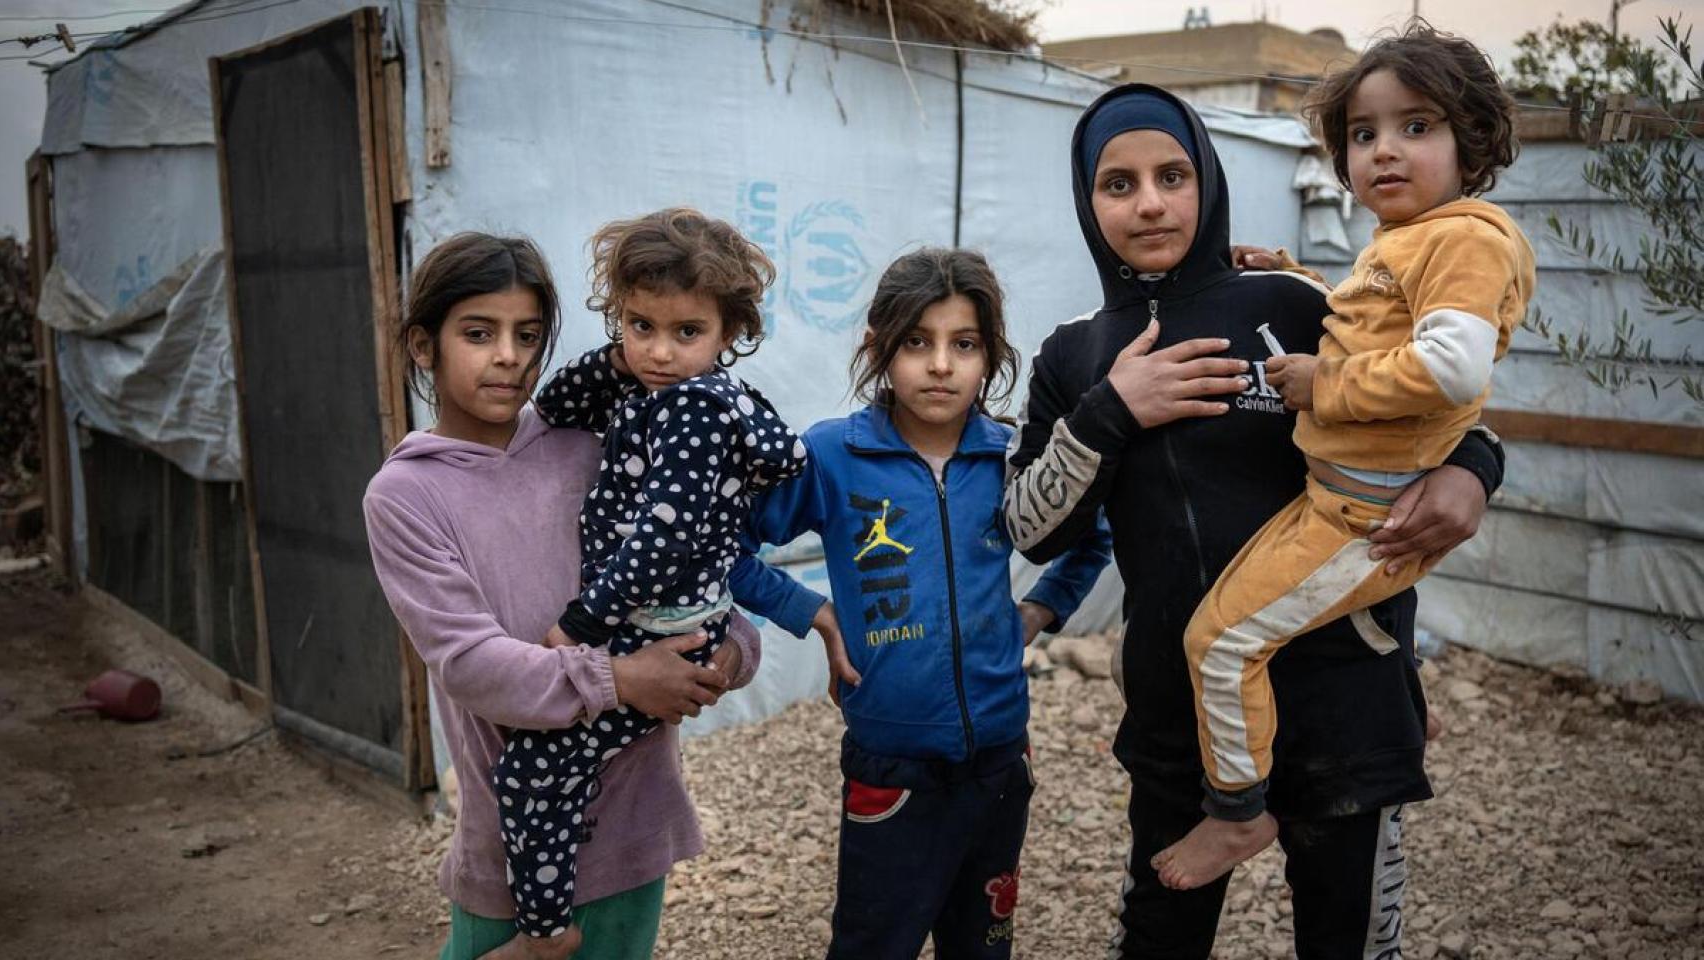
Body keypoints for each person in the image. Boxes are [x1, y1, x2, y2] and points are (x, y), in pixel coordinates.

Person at [1002, 85, 1505, 958]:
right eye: (1117, 184)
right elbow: (1029, 527)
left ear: (1212, 180)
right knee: (1160, 937)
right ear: (1087, 202)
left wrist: (1476, 468)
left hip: (1346, 695)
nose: (1150, 202)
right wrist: (1110, 411)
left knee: (1347, 940)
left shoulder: (1294, 301)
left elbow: (1429, 403)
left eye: (1173, 175)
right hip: (1178, 713)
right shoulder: (1074, 352)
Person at [1156, 22, 1535, 891]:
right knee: (1253, 621)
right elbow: (1382, 320)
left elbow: (1451, 364)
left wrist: (1324, 383)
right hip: (1337, 500)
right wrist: (1297, 274)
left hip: (1368, 517)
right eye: (1364, 134)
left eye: (1417, 126)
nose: (1384, 151)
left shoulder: (1466, 240)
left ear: (1471, 141)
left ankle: (1237, 813)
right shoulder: (1410, 240)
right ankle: (1396, 698)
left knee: (1219, 643)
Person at [364, 232, 760, 960]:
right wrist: (621, 679)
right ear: (424, 346)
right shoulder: (407, 494)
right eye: (479, 334)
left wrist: (731, 649)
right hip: (516, 845)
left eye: (528, 335)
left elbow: (690, 566)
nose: (508, 356)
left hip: (636, 817)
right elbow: (473, 665)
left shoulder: (589, 445)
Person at [730, 248, 1114, 959]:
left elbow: (1091, 537)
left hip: (1001, 756)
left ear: (990, 355)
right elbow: (727, 546)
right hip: (890, 763)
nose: (941, 365)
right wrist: (813, 613)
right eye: (917, 342)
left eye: (963, 344)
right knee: (875, 943)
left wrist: (1038, 613)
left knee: (983, 943)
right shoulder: (831, 456)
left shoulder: (1009, 457)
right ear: (878, 347)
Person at [485, 208, 806, 955]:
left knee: (534, 764)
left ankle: (544, 935)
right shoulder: (657, 387)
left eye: (687, 332)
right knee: (548, 760)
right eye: (640, 325)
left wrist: (581, 625)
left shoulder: (695, 410)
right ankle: (554, 909)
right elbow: (557, 406)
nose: (660, 351)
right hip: (658, 621)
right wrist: (617, 361)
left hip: (657, 627)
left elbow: (662, 541)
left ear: (730, 333)